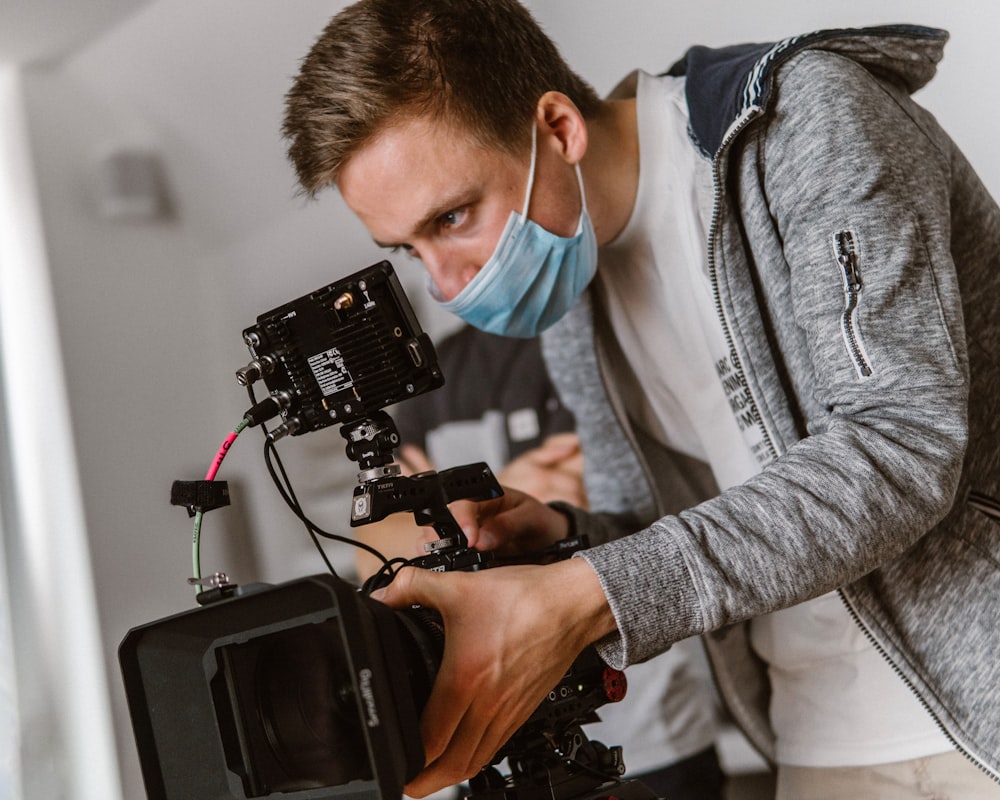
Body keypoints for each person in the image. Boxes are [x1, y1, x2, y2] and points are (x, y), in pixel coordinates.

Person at [283, 3, 1000, 799]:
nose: (446, 287)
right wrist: (565, 536)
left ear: (557, 128)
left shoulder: (806, 119)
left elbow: (900, 443)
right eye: (411, 248)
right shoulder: (572, 291)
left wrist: (589, 593)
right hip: (818, 732)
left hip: (983, 706)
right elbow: (652, 529)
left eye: (453, 218)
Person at [353, 324, 725, 799]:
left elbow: (608, 507)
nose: (439, 278)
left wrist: (450, 514)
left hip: (654, 733)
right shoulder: (430, 374)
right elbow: (374, 553)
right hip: (495, 743)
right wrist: (504, 485)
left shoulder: (587, 342)